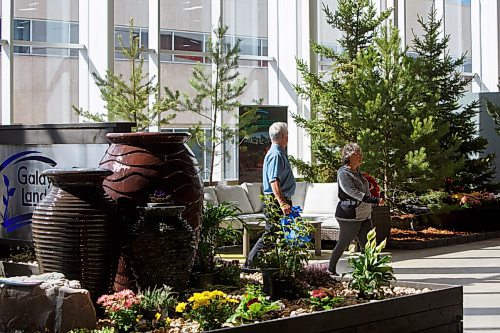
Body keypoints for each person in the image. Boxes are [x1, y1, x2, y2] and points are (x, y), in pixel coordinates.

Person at [328, 142, 385, 276]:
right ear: (347, 156)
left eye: (360, 152)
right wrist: (375, 200)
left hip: (365, 214)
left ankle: (371, 272)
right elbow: (353, 192)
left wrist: (373, 190)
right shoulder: (343, 173)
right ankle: (330, 269)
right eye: (356, 153)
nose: (360, 155)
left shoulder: (358, 173)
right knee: (343, 243)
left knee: (369, 245)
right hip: (350, 216)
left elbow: (365, 190)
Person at [244, 122, 296, 267]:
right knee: (271, 233)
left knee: (284, 233)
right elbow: (274, 180)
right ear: (284, 136)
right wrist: (282, 202)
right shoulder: (276, 154)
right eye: (287, 135)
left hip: (280, 200)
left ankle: (280, 265)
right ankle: (250, 263)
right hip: (276, 201)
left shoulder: (278, 152)